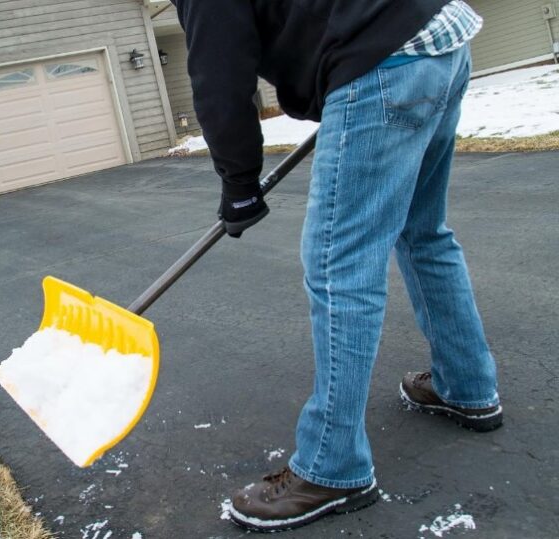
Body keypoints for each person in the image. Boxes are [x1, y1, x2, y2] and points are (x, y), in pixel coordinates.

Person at [172, 0, 502, 533]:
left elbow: (221, 72)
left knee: (339, 266)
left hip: (383, 62)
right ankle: (467, 387)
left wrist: (239, 184)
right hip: (440, 37)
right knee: (424, 233)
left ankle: (333, 467)